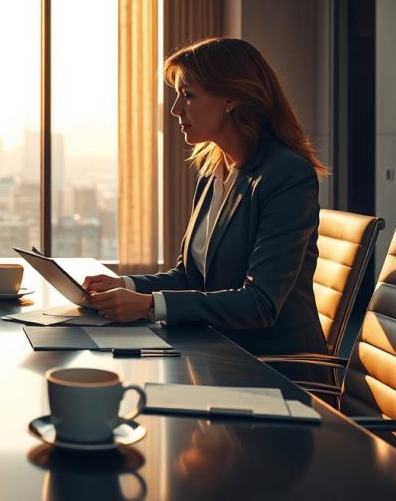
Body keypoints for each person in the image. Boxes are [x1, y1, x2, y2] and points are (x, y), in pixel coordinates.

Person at [83, 37, 330, 383]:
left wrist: (151, 305)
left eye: (187, 95)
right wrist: (124, 284)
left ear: (231, 98)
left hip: (273, 370)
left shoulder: (286, 175)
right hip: (215, 354)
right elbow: (190, 275)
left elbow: (260, 302)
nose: (175, 111)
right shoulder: (213, 171)